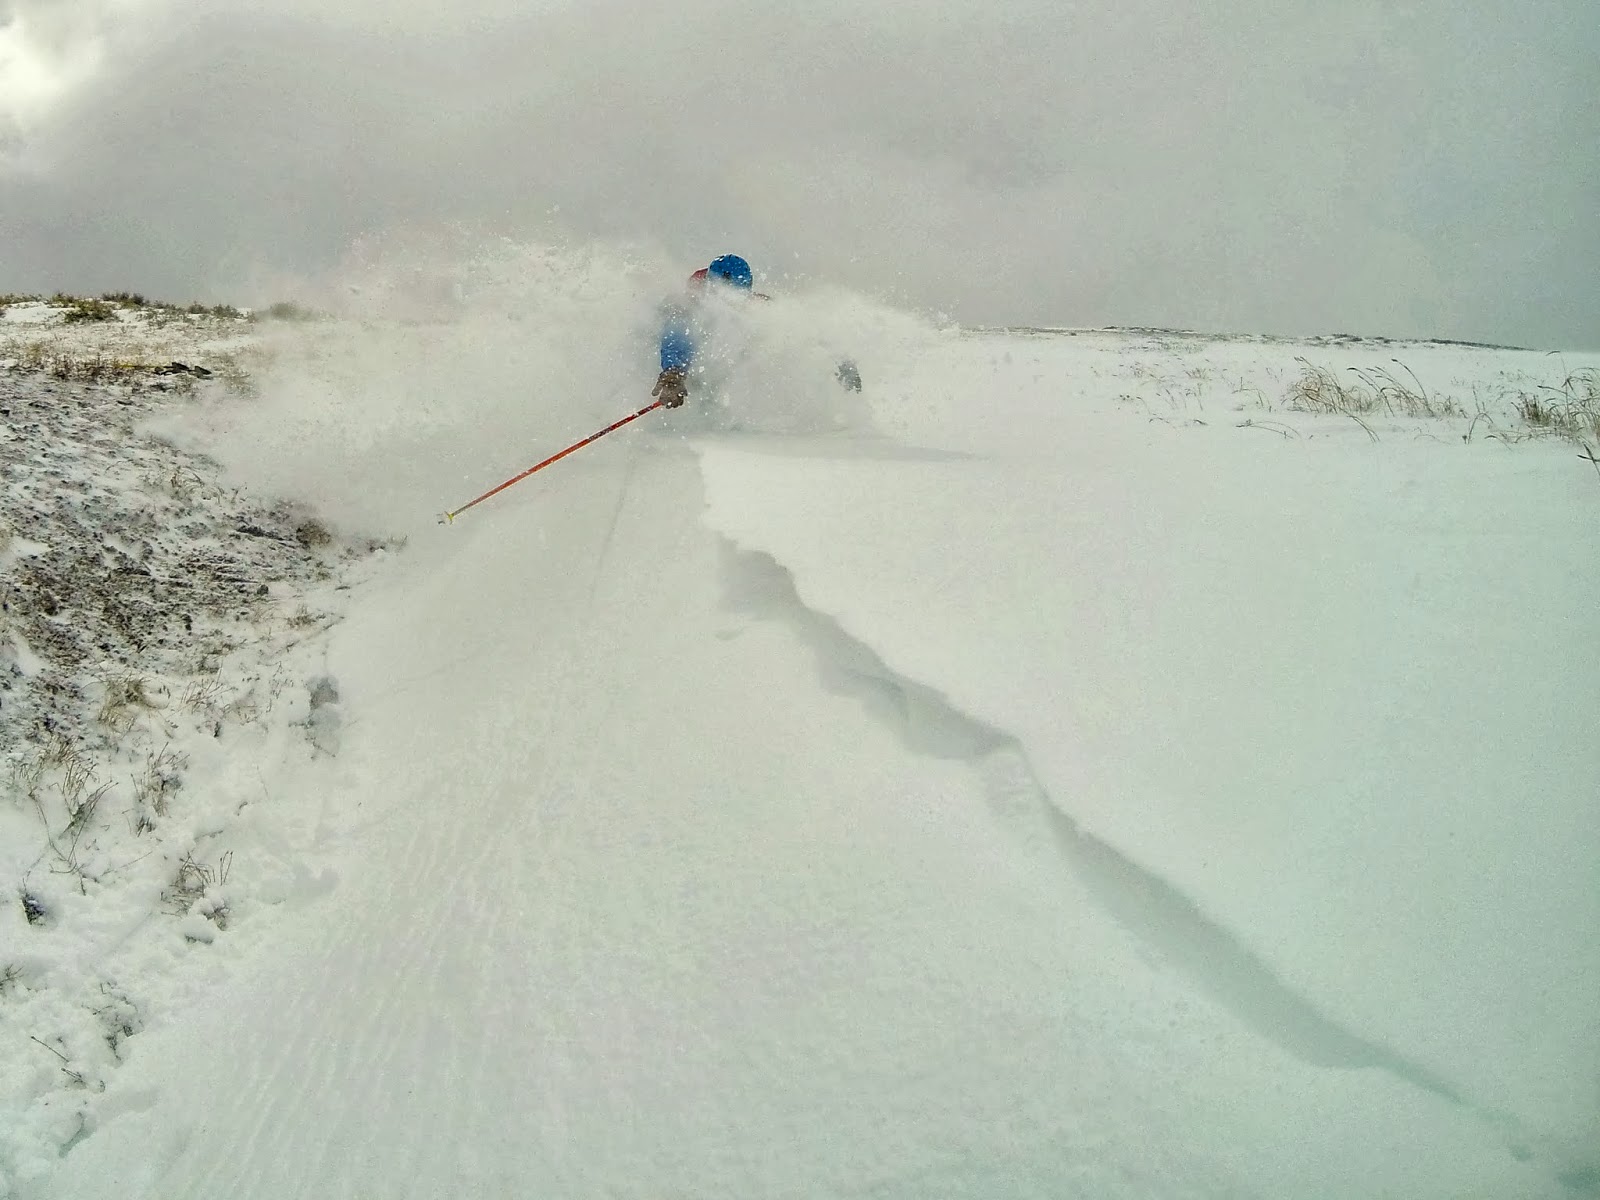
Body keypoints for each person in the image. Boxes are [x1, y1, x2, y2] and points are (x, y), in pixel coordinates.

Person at [651, 253, 860, 409]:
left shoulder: (757, 306)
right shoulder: (685, 306)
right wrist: (674, 373)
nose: (730, 302)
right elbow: (675, 338)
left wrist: (840, 361)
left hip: (716, 365)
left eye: (739, 294)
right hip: (675, 365)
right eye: (724, 293)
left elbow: (802, 330)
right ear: (710, 285)